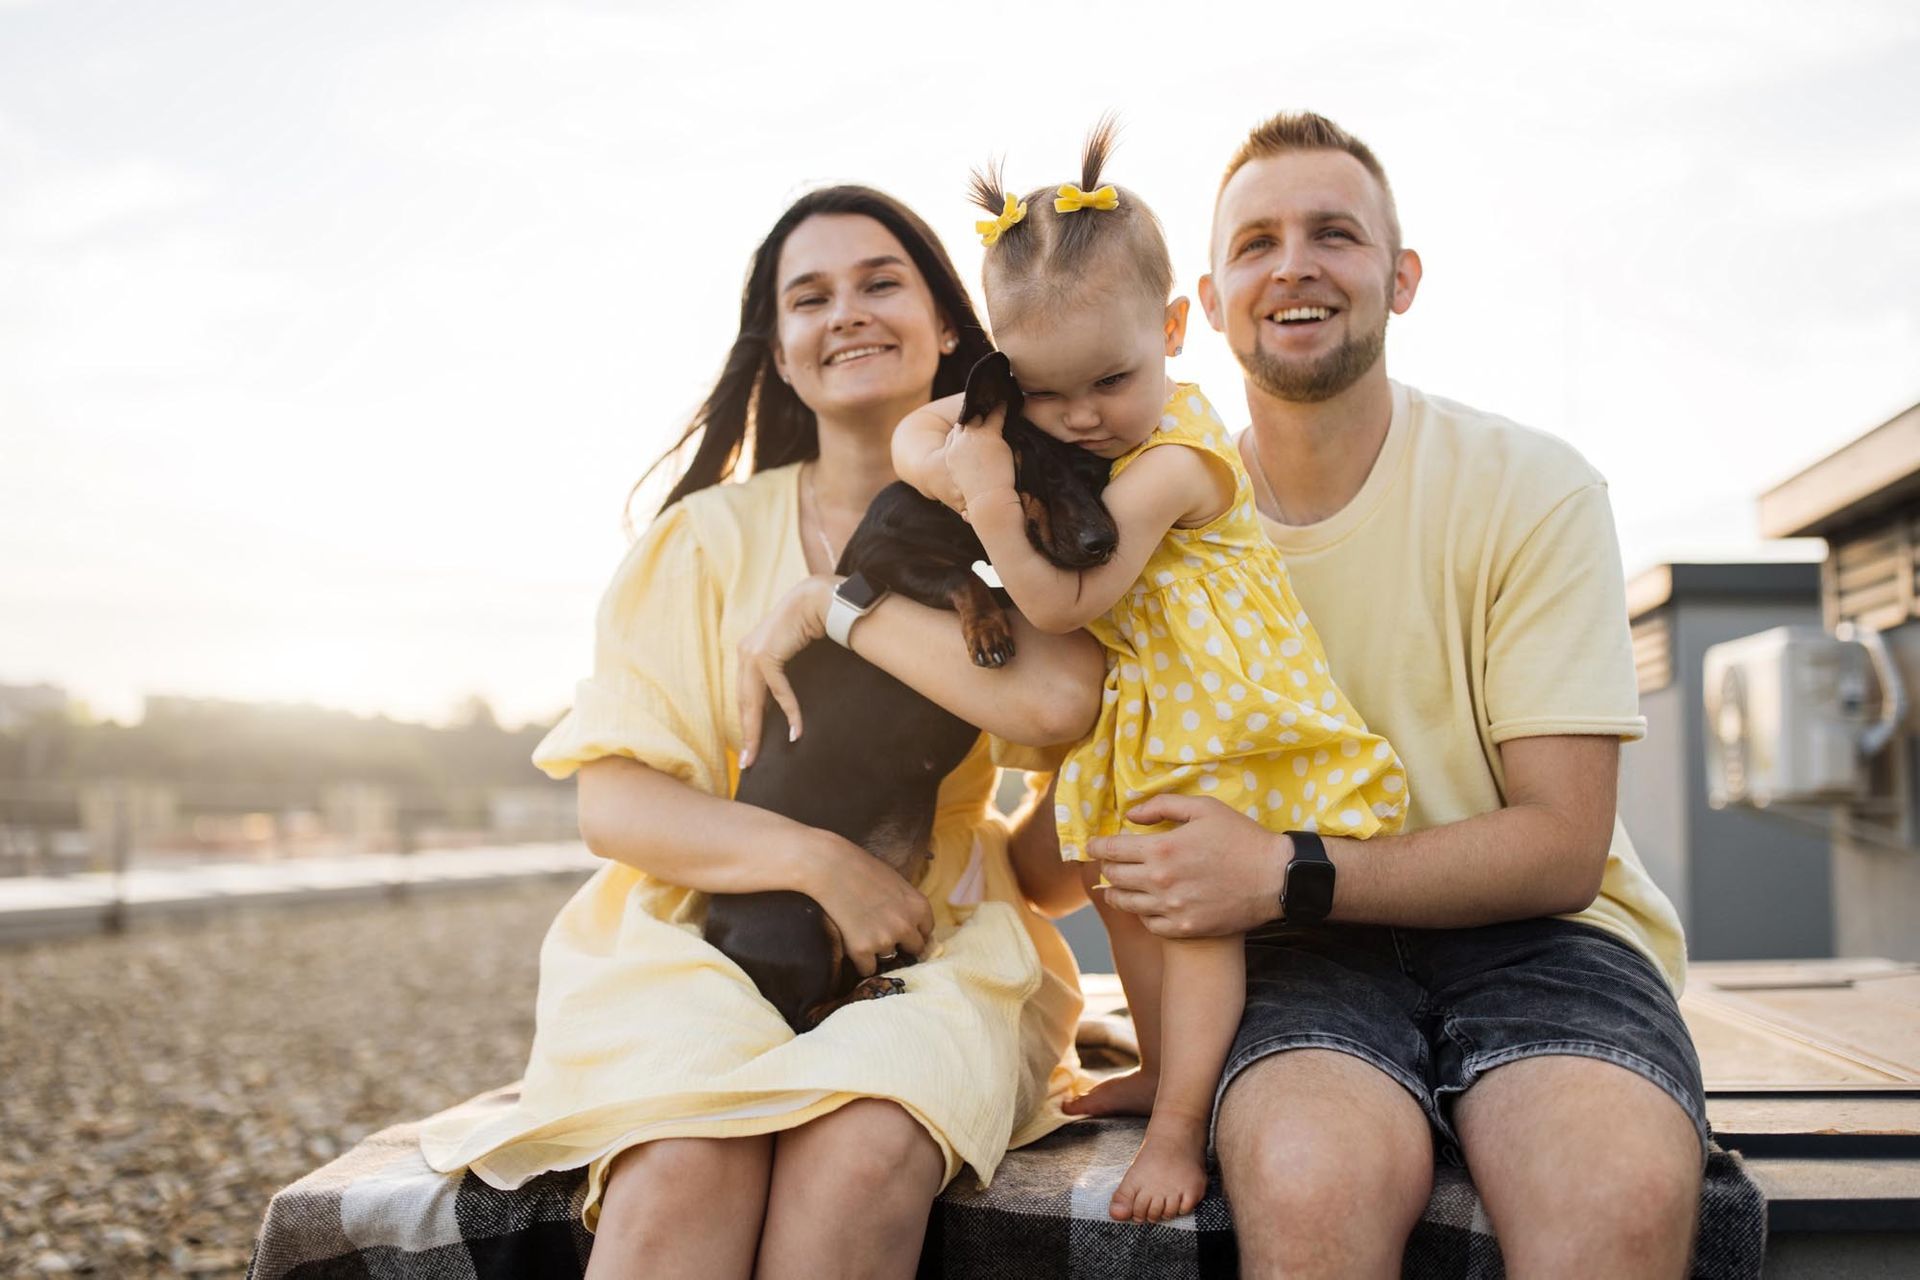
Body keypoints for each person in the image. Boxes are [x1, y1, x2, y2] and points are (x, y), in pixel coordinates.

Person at [418, 185, 1107, 1280]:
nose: (848, 312)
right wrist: (823, 863)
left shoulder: (1020, 519)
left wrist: (840, 605)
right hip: (696, 934)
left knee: (861, 1148)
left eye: (882, 282)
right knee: (684, 1158)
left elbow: (1066, 733)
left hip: (939, 937)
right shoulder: (696, 542)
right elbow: (613, 801)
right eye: (810, 297)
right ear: (780, 355)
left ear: (946, 325)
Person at [1082, 112, 1707, 1276]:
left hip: (1545, 942)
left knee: (1618, 1196)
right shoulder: (1146, 527)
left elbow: (1564, 845)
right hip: (1301, 958)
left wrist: (1281, 867)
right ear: (1209, 302)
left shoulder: (1532, 487)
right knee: (1309, 1186)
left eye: (1337, 234)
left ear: (1401, 277)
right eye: (1258, 242)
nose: (1297, 265)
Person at [890, 120, 1408, 1224]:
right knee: (1126, 890)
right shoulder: (1078, 416)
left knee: (1195, 917)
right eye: (1042, 390)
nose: (1079, 416)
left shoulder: (1177, 451)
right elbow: (915, 436)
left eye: (1110, 379)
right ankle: (1159, 1062)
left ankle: (1183, 1123)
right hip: (1150, 708)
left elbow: (1067, 597)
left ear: (1174, 328)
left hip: (1222, 713)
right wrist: (976, 426)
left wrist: (983, 485)